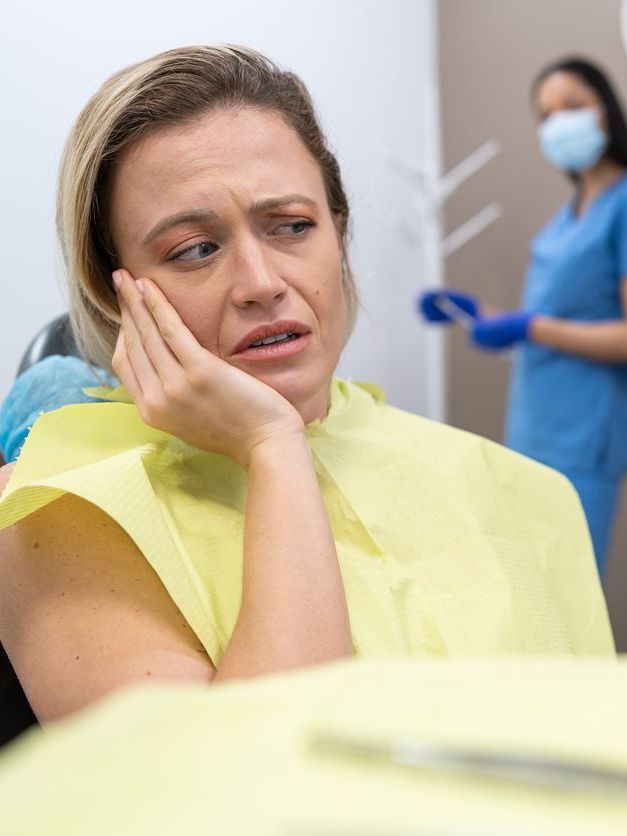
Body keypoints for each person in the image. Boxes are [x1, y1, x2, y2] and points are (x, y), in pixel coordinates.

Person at [0, 46, 613, 727]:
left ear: (338, 232)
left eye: (292, 226)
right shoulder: (59, 513)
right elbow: (231, 797)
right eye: (194, 249)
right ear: (110, 286)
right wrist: (270, 446)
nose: (262, 282)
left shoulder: (528, 494)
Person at [420, 57, 627, 577]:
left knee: (565, 583)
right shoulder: (574, 208)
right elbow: (556, 315)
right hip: (537, 418)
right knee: (532, 580)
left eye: (573, 107)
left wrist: (529, 327)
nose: (559, 123)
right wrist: (480, 315)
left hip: (584, 428)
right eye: (546, 114)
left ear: (607, 109)